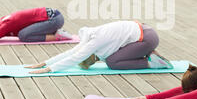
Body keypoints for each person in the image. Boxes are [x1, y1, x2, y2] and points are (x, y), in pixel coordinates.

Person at [26, 20, 173, 73]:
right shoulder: (91, 35)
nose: (93, 62)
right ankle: (149, 54)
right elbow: (73, 51)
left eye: (89, 62)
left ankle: (152, 63)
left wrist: (50, 68)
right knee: (112, 59)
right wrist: (46, 62)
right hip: (145, 33)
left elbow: (75, 56)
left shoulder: (95, 42)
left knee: (113, 62)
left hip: (147, 38)